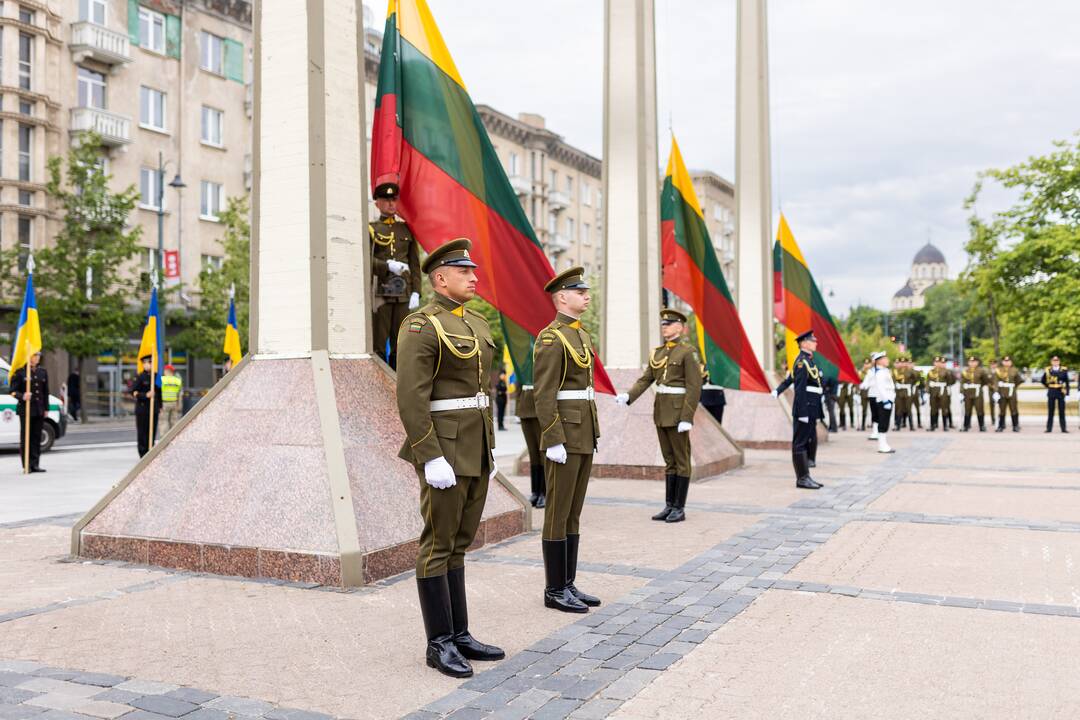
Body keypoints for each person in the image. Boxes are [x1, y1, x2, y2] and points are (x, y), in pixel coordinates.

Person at [395, 238, 503, 679]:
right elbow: (411, 395)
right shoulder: (421, 326)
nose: (474, 277)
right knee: (437, 544)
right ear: (440, 278)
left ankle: (459, 634)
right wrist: (429, 454)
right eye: (465, 272)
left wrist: (489, 447)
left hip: (474, 445)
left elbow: (483, 394)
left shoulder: (476, 324)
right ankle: (438, 644)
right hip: (445, 448)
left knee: (459, 542)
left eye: (474, 270)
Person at [533, 266, 601, 614]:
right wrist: (553, 438)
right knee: (557, 512)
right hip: (565, 435)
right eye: (580, 292)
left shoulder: (581, 335)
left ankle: (568, 583)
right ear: (562, 297)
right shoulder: (551, 338)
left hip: (584, 431)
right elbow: (544, 394)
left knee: (573, 512)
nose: (586, 296)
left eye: (586, 291)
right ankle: (553, 589)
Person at [616, 309, 702, 523]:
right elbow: (646, 379)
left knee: (681, 461)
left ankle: (679, 508)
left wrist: (687, 417)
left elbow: (694, 387)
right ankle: (669, 505)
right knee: (669, 460)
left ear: (680, 327)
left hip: (678, 413)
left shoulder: (687, 352)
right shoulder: (658, 352)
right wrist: (629, 396)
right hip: (661, 411)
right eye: (663, 323)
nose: (665, 326)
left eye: (670, 323)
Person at [370, 182, 421, 370]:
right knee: (379, 344)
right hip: (381, 294)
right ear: (377, 204)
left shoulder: (406, 229)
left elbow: (415, 264)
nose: (391, 204)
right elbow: (366, 261)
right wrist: (387, 266)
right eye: (386, 200)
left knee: (401, 344)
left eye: (394, 200)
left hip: (404, 293)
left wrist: (417, 292)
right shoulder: (372, 228)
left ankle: (397, 383)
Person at [772, 331, 825, 489]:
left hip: (811, 406)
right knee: (800, 442)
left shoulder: (809, 361)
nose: (816, 342)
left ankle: (806, 476)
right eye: (813, 340)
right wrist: (802, 412)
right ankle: (802, 478)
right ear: (804, 343)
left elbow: (792, 380)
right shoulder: (802, 362)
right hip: (805, 407)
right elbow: (800, 388)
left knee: (806, 440)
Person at [11, 351, 48, 472]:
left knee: (36, 437)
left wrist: (46, 408)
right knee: (26, 438)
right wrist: (23, 396)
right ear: (29, 357)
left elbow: (45, 392)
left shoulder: (42, 372)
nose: (37, 358)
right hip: (26, 410)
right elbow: (13, 391)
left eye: (38, 356)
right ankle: (26, 465)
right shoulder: (20, 372)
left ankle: (35, 464)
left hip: (38, 410)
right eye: (34, 356)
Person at [515, 381, 544, 508]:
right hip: (524, 408)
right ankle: (535, 492)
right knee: (533, 453)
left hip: (540, 408)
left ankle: (544, 492)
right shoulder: (524, 363)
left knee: (543, 452)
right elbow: (518, 383)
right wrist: (518, 405)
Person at [864, 351, 896, 453]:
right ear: (879, 361)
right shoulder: (880, 373)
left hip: (887, 399)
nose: (887, 360)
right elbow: (881, 388)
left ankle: (884, 444)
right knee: (883, 422)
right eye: (885, 359)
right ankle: (882, 446)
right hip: (883, 400)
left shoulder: (884, 371)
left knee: (885, 422)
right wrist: (886, 400)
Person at [132, 354, 161, 457]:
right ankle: (142, 454)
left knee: (151, 433)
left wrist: (160, 406)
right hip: (142, 410)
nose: (147, 365)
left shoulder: (157, 377)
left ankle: (150, 453)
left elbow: (159, 393)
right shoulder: (139, 377)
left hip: (153, 410)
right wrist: (146, 395)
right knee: (142, 434)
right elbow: (134, 392)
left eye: (149, 362)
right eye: (145, 363)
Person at [992, 355, 1022, 432]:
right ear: (1002, 362)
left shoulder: (1014, 370)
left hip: (1012, 392)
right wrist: (996, 391)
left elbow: (1019, 380)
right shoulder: (998, 370)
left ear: (1011, 362)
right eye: (1005, 361)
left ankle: (1015, 425)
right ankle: (1001, 426)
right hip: (1002, 392)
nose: (1007, 362)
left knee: (1014, 409)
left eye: (1008, 361)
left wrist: (1013, 386)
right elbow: (995, 381)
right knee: (1002, 410)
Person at [960, 356, 989, 432]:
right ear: (968, 362)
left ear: (977, 362)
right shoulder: (965, 371)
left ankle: (981, 426)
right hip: (967, 392)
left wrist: (979, 386)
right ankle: (966, 426)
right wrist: (961, 392)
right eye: (970, 362)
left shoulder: (981, 371)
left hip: (977, 392)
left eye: (974, 362)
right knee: (967, 409)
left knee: (979, 409)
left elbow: (985, 381)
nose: (972, 363)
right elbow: (962, 382)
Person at [925, 356, 954, 431]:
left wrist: (949, 374)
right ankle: (933, 425)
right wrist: (927, 390)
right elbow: (927, 381)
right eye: (936, 362)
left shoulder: (946, 371)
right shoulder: (931, 371)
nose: (937, 364)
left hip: (943, 391)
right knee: (933, 408)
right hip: (933, 391)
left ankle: (945, 426)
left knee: (944, 408)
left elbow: (951, 381)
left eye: (939, 362)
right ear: (934, 363)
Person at [1042, 355, 1070, 433]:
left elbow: (1067, 383)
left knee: (1062, 411)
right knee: (1050, 411)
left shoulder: (1064, 370)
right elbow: (1043, 380)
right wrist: (1048, 386)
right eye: (1054, 361)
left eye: (1057, 361)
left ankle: (1063, 428)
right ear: (1051, 362)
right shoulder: (1048, 370)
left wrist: (1068, 394)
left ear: (1059, 362)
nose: (1055, 362)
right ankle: (1049, 428)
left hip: (1060, 392)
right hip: (1051, 392)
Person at [160, 365, 183, 432]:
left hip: (164, 403)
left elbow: (158, 392)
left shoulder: (162, 380)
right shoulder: (177, 380)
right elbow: (180, 393)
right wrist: (179, 405)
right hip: (174, 403)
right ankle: (173, 437)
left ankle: (164, 438)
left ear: (166, 371)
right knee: (174, 421)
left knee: (164, 421)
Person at [892, 357, 911, 431]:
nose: (903, 364)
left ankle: (911, 425)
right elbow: (893, 379)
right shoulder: (896, 371)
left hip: (907, 391)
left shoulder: (910, 371)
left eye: (904, 362)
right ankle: (898, 425)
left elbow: (915, 379)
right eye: (901, 362)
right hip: (899, 391)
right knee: (899, 409)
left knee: (908, 408)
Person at [858, 358, 872, 431]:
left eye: (868, 363)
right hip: (864, 393)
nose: (866, 365)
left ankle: (873, 424)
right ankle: (863, 425)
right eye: (865, 364)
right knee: (864, 409)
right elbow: (858, 381)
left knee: (873, 409)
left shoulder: (872, 371)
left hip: (872, 392)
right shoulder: (861, 372)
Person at [987, 359, 999, 428]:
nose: (993, 365)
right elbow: (986, 381)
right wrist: (992, 386)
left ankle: (999, 419)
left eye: (994, 364)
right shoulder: (988, 372)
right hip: (991, 391)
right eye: (991, 364)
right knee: (992, 405)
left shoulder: (1000, 371)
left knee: (1001, 405)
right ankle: (993, 419)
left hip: (999, 390)